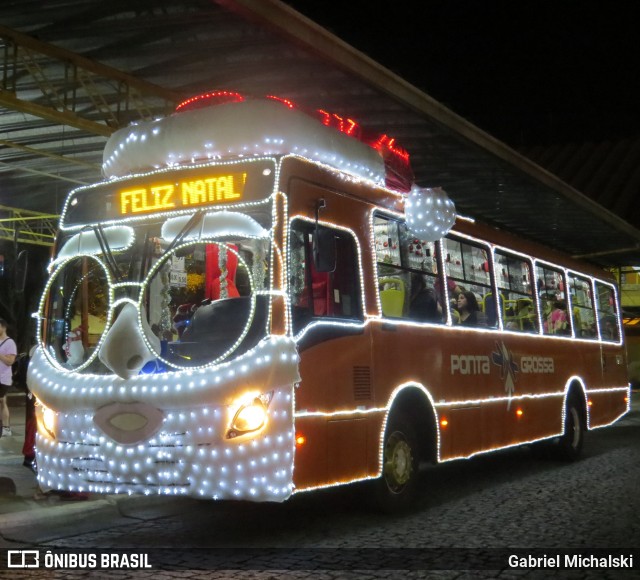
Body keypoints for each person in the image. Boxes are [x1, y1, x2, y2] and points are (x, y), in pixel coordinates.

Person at [0, 318, 17, 438]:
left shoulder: (10, 343)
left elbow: (10, 361)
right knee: (2, 402)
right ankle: (5, 428)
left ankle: (5, 428)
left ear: (3, 327)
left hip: (3, 378)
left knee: (1, 401)